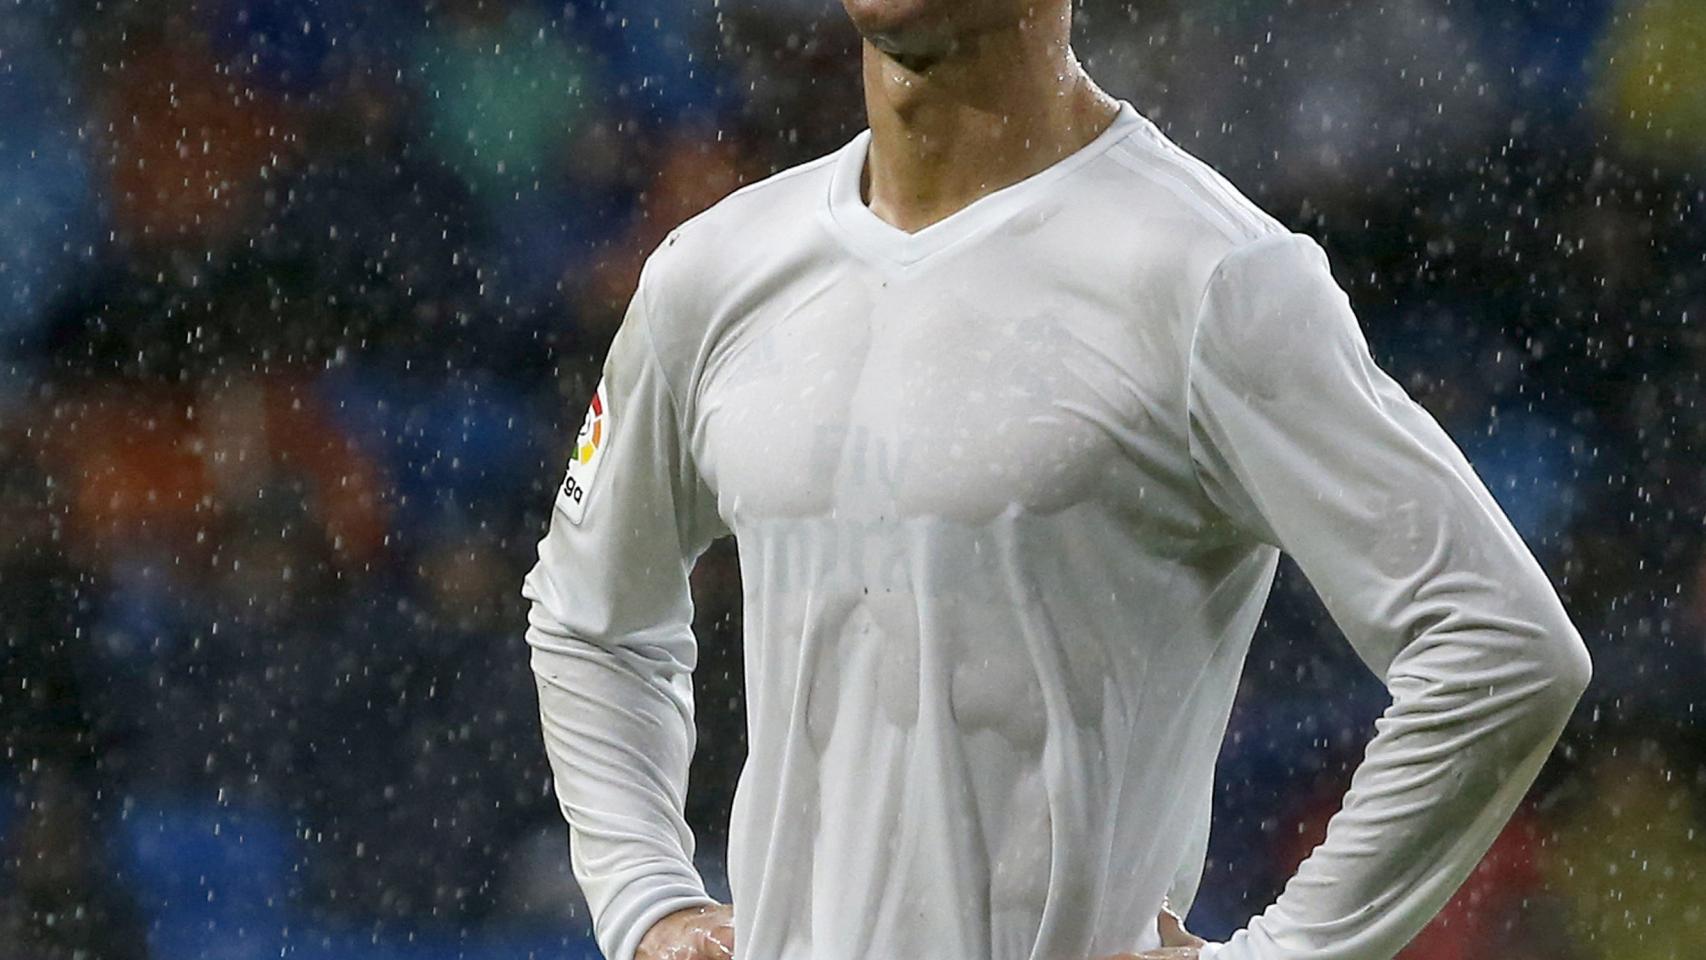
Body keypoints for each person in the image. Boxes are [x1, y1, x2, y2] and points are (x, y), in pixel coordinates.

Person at [520, 2, 1593, 958]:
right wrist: (648, 900)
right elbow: (588, 618)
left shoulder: (1212, 277)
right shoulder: (711, 272)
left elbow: (1498, 647)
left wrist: (1281, 952)